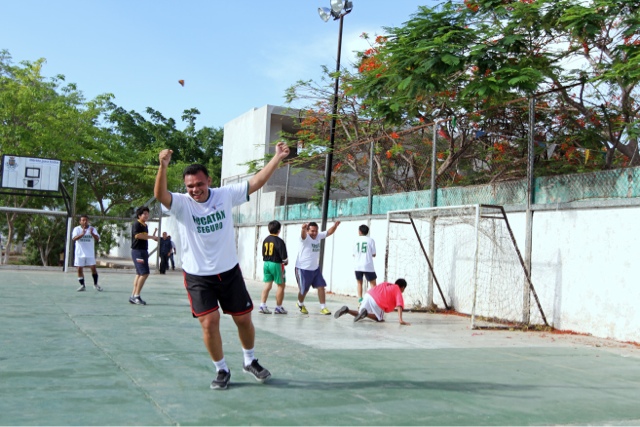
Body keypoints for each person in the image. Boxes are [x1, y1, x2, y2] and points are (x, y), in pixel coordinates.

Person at [154, 141, 290, 390]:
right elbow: (160, 195)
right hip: (198, 276)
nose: (195, 190)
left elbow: (257, 182)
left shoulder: (225, 195)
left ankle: (249, 361)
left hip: (228, 272)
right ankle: (221, 369)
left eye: (199, 184)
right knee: (209, 322)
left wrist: (277, 157)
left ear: (209, 180)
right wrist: (162, 167)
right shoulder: (183, 204)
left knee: (244, 320)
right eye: (190, 186)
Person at [294, 220, 340, 315]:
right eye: (312, 231)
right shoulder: (304, 238)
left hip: (315, 269)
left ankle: (323, 307)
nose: (314, 233)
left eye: (316, 231)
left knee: (321, 287)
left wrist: (335, 226)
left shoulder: (318, 236)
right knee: (304, 290)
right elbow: (303, 235)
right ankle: (300, 303)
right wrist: (303, 229)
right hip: (302, 269)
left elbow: (329, 232)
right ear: (307, 231)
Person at [334, 279, 411, 325]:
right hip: (378, 300)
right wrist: (400, 320)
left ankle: (347, 310)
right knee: (379, 319)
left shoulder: (386, 284)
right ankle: (366, 314)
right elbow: (399, 305)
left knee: (360, 312)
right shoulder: (397, 289)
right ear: (403, 287)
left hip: (369, 294)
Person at [130, 206, 158, 305]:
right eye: (144, 214)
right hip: (138, 251)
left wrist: (153, 237)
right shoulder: (137, 224)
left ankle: (133, 295)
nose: (146, 215)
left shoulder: (145, 225)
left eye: (147, 213)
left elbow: (144, 236)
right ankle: (137, 296)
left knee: (139, 274)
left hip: (143, 251)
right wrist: (151, 237)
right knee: (144, 273)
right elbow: (138, 236)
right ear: (139, 215)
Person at [259, 220, 288, 315]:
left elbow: (263, 252)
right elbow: (284, 257)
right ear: (279, 230)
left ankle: (262, 305)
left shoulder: (266, 239)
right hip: (276, 264)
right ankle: (278, 307)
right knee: (281, 285)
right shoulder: (279, 241)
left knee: (267, 284)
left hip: (266, 263)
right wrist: (285, 262)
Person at [72, 215, 102, 292]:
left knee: (93, 268)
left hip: (90, 253)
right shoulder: (77, 229)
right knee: (79, 269)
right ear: (80, 221)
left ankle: (95, 284)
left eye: (86, 220)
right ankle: (82, 285)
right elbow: (74, 238)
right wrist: (82, 234)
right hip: (79, 253)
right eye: (83, 220)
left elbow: (97, 238)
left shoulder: (92, 229)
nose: (85, 222)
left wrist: (92, 233)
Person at [353, 224, 377, 307]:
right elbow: (374, 254)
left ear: (360, 231)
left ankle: (360, 300)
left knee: (359, 283)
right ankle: (373, 301)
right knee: (373, 284)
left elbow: (354, 254)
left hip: (358, 265)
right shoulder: (371, 240)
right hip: (368, 265)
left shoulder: (356, 240)